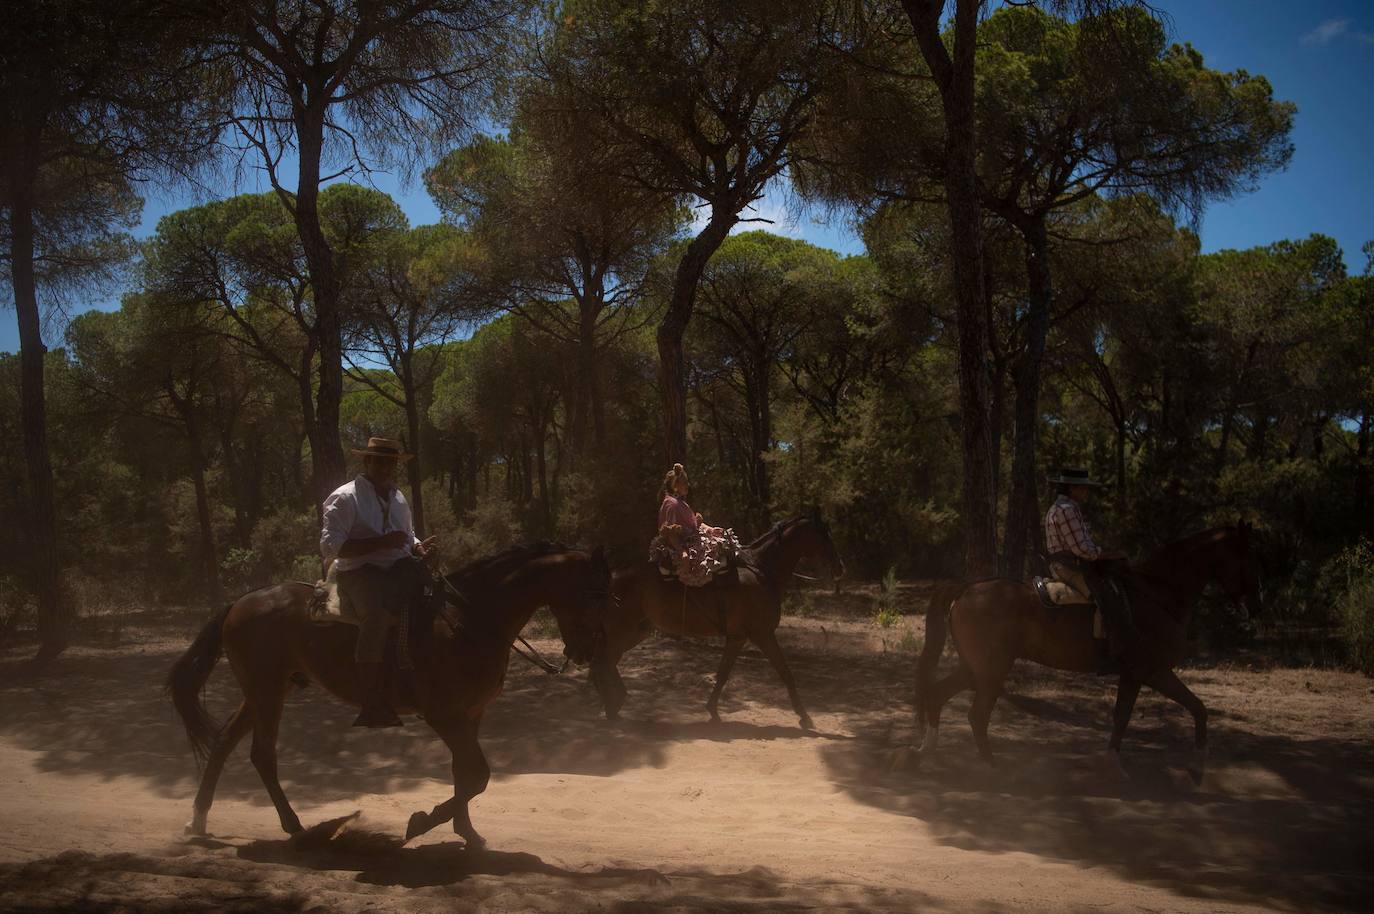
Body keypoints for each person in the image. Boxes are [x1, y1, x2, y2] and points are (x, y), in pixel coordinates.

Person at [320, 437, 438, 728]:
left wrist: (420, 548)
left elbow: (408, 535)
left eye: (391, 461)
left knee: (434, 604)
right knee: (377, 615)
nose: (386, 466)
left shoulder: (399, 497)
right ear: (367, 462)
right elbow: (331, 547)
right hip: (359, 572)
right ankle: (370, 701)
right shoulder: (345, 497)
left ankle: (425, 684)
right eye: (380, 460)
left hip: (399, 568)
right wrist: (380, 543)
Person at [1042, 467, 1135, 666]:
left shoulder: (1058, 508)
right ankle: (1103, 652)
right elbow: (1083, 549)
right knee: (1105, 596)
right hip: (1070, 567)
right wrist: (1109, 554)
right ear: (1073, 487)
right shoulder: (1067, 510)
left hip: (1066, 564)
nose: (1086, 492)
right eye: (1083, 488)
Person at [649, 463, 739, 587]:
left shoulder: (680, 502)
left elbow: (693, 524)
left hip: (691, 538)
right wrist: (682, 552)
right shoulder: (671, 504)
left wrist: (711, 529)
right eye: (684, 483)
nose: (688, 486)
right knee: (712, 556)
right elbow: (670, 533)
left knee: (724, 544)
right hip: (682, 544)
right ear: (675, 486)